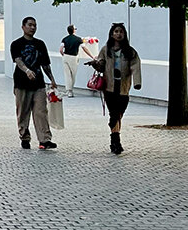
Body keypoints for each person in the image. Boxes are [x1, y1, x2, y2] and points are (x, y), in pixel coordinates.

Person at [87, 23, 142, 155]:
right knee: (114, 115)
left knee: (119, 115)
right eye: (116, 31)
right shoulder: (106, 50)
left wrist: (137, 83)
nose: (118, 34)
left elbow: (135, 66)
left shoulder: (130, 52)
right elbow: (101, 66)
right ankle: (116, 141)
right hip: (109, 88)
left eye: (121, 32)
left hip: (123, 88)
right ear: (112, 34)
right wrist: (95, 64)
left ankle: (115, 140)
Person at [10, 17, 59, 150]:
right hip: (21, 83)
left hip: (38, 84)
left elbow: (45, 64)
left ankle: (45, 139)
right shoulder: (16, 44)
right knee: (23, 112)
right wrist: (27, 71)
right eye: (30, 25)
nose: (32, 28)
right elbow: (18, 60)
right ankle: (25, 137)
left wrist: (52, 79)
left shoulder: (40, 44)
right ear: (23, 27)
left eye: (34, 25)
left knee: (41, 112)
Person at [59, 25, 95, 98]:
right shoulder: (78, 39)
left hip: (65, 57)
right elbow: (85, 49)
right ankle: (70, 90)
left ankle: (68, 91)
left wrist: (63, 55)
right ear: (74, 30)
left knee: (67, 74)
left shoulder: (64, 39)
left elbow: (61, 50)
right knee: (73, 75)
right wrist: (92, 56)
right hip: (74, 57)